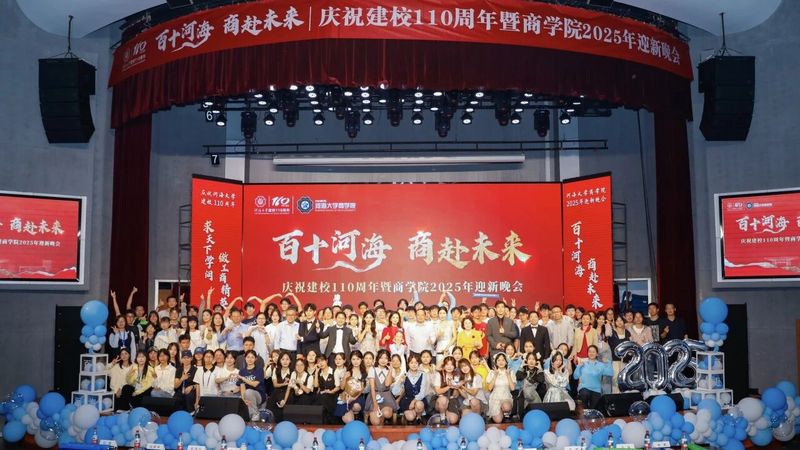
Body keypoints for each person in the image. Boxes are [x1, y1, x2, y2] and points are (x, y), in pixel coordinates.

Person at [573, 345, 613, 410]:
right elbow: (575, 377)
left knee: (594, 409)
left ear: (597, 354)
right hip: (584, 388)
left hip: (596, 389)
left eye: (593, 352)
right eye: (590, 351)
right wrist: (579, 366)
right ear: (587, 353)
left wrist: (608, 363)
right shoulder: (583, 363)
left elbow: (610, 373)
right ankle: (585, 411)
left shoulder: (601, 365)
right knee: (585, 394)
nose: (591, 353)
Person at [365, 349, 398, 425]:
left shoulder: (391, 370)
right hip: (375, 396)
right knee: (376, 422)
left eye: (386, 358)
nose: (383, 360)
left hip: (387, 396)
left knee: (387, 413)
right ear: (377, 359)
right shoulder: (372, 369)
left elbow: (387, 384)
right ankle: (378, 418)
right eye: (381, 358)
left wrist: (390, 370)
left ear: (389, 360)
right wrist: (375, 403)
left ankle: (381, 418)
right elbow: (372, 388)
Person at [336, 351, 367, 423]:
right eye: (353, 359)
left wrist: (353, 398)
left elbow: (361, 389)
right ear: (350, 360)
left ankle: (357, 417)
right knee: (348, 420)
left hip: (357, 397)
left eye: (358, 359)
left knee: (356, 406)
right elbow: (342, 388)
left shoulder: (364, 373)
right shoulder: (347, 371)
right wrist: (344, 378)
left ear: (361, 360)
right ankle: (350, 416)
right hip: (346, 396)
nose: (356, 361)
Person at [398, 354, 429, 424]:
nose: (414, 365)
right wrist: (400, 382)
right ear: (408, 364)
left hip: (419, 399)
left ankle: (419, 416)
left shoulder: (423, 374)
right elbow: (396, 391)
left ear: (419, 364)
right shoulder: (405, 375)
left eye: (416, 363)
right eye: (411, 362)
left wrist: (413, 401)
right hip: (407, 400)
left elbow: (422, 393)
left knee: (419, 405)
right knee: (410, 417)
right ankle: (414, 414)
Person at [430, 356, 461, 424]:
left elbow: (455, 395)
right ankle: (442, 418)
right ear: (444, 366)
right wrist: (449, 386)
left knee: (453, 420)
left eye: (451, 364)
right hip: (440, 399)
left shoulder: (456, 376)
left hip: (451, 400)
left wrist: (456, 387)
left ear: (454, 366)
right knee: (443, 400)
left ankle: (440, 417)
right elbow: (438, 391)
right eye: (447, 364)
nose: (449, 367)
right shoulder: (439, 374)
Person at [486, 353, 514, 423]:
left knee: (506, 407)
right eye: (498, 360)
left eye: (503, 360)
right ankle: (499, 414)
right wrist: (495, 375)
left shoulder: (510, 372)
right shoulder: (492, 372)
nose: (501, 362)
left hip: (506, 397)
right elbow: (490, 388)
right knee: (498, 421)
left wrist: (508, 375)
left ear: (506, 362)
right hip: (495, 399)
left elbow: (512, 388)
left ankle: (505, 413)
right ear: (496, 362)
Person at [238, 350, 266, 420]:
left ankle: (255, 414)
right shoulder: (242, 371)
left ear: (255, 359)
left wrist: (243, 378)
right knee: (246, 394)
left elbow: (255, 384)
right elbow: (242, 387)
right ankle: (252, 417)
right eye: (248, 357)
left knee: (248, 392)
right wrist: (244, 399)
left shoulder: (259, 370)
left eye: (252, 357)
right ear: (245, 358)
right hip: (248, 396)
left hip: (260, 395)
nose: (250, 359)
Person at [607, 316, 632, 393]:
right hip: (615, 359)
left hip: (625, 360)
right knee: (615, 378)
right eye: (617, 321)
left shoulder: (627, 332)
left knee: (624, 378)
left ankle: (624, 395)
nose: (619, 322)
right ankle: (615, 395)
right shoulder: (612, 332)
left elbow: (630, 344)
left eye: (621, 320)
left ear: (624, 321)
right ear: (615, 322)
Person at [266, 351, 293, 421]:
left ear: (290, 361)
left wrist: (284, 400)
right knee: (270, 403)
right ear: (280, 361)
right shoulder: (276, 369)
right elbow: (275, 385)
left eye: (287, 359)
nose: (285, 361)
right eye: (283, 359)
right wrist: (283, 384)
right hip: (277, 391)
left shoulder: (293, 371)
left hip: (288, 392)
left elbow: (289, 388)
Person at [315, 355, 340, 424]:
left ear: (326, 361)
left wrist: (331, 391)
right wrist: (316, 373)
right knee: (321, 398)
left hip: (332, 396)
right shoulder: (319, 373)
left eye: (322, 361)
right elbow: (316, 386)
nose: (321, 363)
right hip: (322, 397)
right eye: (318, 362)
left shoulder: (334, 371)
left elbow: (338, 387)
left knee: (325, 399)